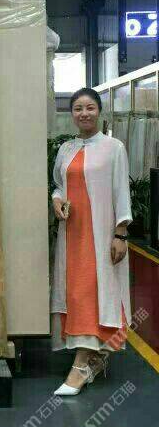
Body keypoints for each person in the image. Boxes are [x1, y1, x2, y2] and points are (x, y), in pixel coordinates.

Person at [51, 87, 132, 396]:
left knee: (93, 292)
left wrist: (120, 233)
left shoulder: (114, 148)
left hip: (100, 236)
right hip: (71, 235)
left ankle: (81, 366)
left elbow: (121, 191)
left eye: (89, 107)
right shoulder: (66, 149)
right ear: (71, 114)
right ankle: (96, 358)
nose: (84, 113)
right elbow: (59, 185)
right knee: (75, 292)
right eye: (78, 108)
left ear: (99, 111)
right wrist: (57, 200)